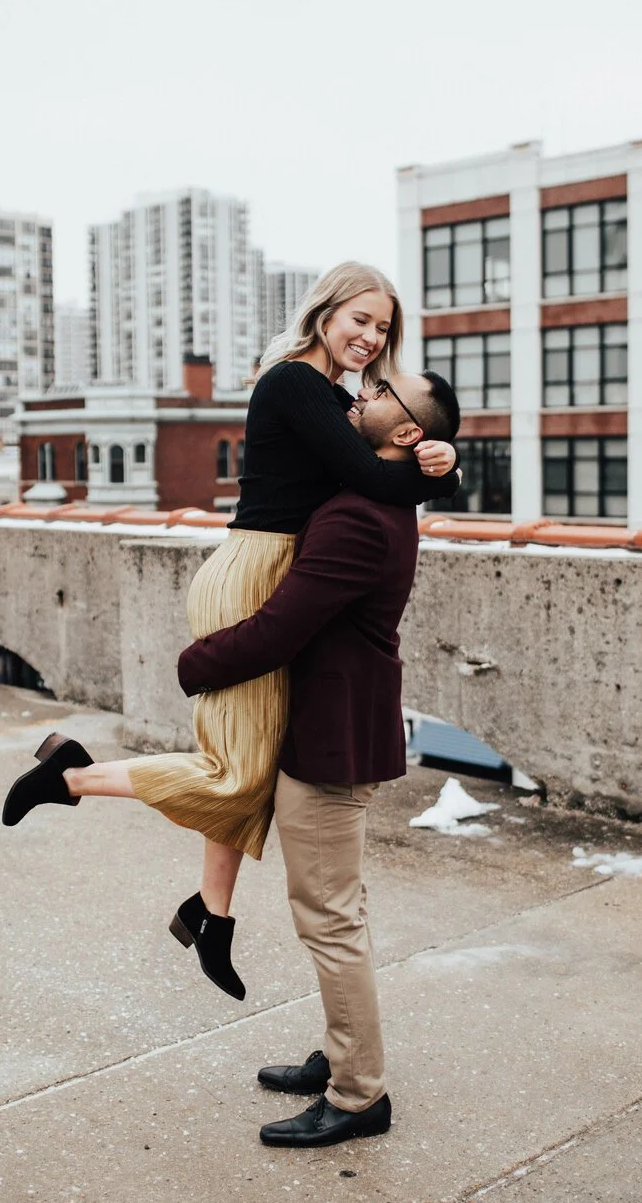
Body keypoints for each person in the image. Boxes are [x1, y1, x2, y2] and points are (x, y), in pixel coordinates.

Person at [1, 263, 460, 1004]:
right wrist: (439, 471)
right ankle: (70, 776)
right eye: (360, 321)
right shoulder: (293, 384)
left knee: (248, 763)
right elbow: (372, 481)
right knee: (237, 773)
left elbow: (370, 472)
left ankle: (213, 919)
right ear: (325, 312)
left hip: (280, 568)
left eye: (383, 329)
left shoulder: (343, 396)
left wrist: (434, 457)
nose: (370, 340)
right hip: (255, 570)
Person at [176, 369, 459, 1147]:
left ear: (405, 433)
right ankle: (342, 1054)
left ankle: (360, 1093)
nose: (359, 397)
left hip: (333, 740)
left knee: (330, 920)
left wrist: (197, 662)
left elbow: (280, 629)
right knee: (337, 913)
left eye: (379, 394)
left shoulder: (363, 516)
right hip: (340, 726)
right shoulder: (376, 495)